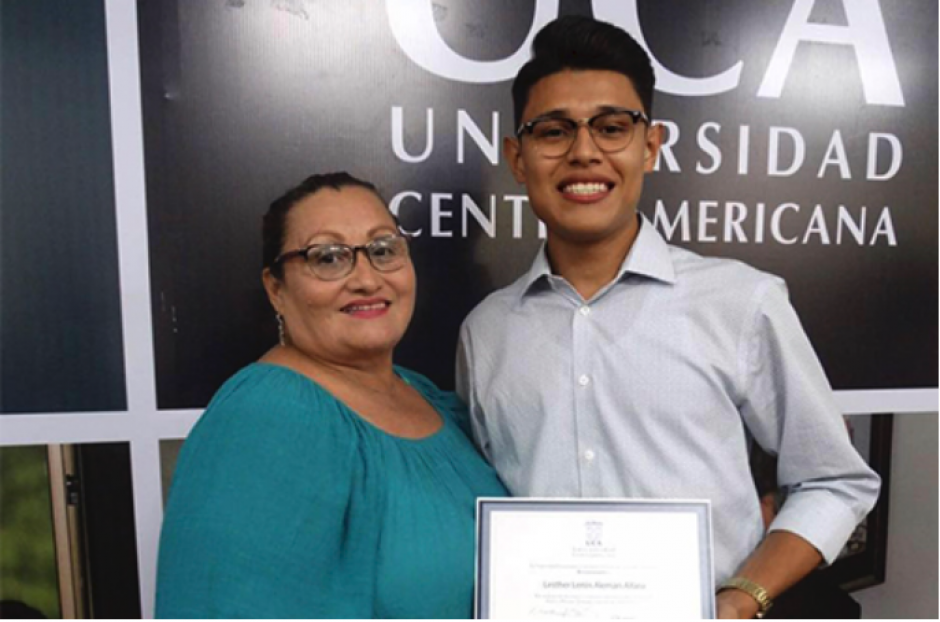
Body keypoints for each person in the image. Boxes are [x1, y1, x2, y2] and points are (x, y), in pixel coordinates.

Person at [456, 16, 880, 619]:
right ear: (518, 159)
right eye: (553, 131)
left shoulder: (741, 301)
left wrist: (744, 597)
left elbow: (837, 482)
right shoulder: (486, 332)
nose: (583, 152)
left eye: (610, 127)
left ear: (649, 145)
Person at [156, 172, 507, 618]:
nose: (366, 279)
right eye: (327, 258)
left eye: (383, 250)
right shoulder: (263, 418)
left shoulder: (431, 400)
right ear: (276, 289)